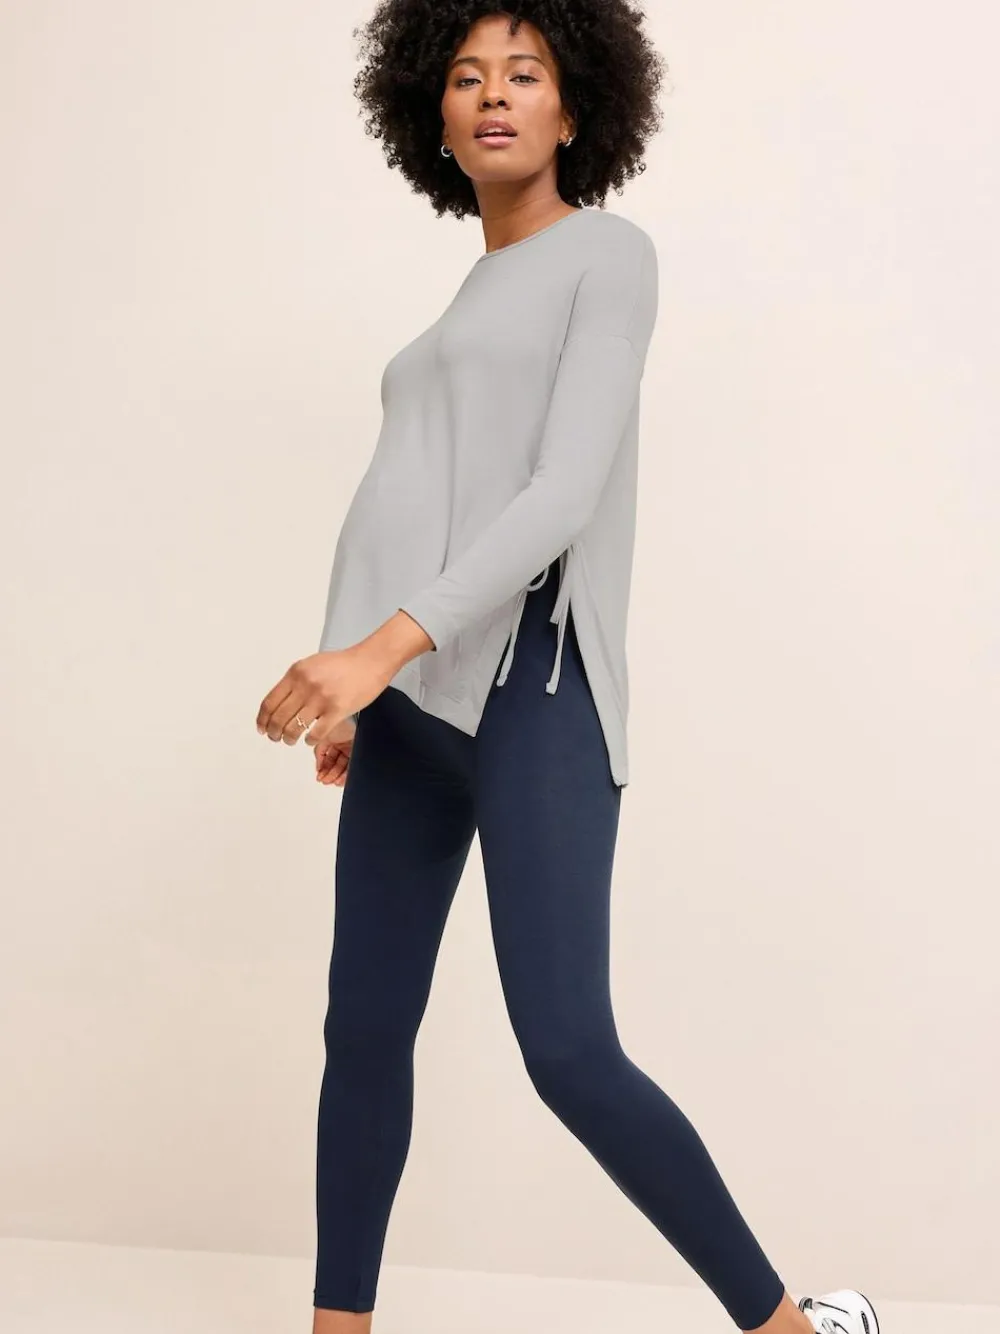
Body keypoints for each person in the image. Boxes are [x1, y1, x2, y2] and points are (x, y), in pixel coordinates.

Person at [254, 7, 880, 1334]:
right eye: (466, 78)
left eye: (524, 75)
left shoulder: (609, 254)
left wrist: (379, 645)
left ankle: (790, 1327)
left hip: (533, 688)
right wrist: (354, 680)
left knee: (568, 1051)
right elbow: (397, 492)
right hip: (409, 707)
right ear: (432, 119)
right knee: (362, 1029)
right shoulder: (461, 303)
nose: (494, 95)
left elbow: (559, 495)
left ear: (576, 107)